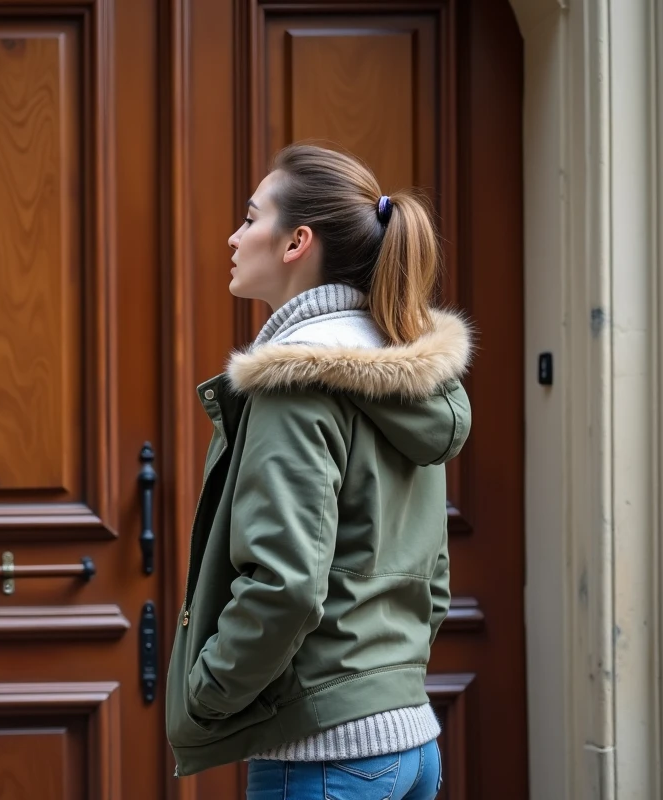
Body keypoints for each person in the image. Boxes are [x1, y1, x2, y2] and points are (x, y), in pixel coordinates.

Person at [164, 143, 473, 800]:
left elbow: (286, 586)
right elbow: (435, 577)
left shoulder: (293, 383)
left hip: (324, 757)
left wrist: (208, 691)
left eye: (251, 218)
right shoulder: (404, 376)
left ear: (296, 242)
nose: (234, 236)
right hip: (410, 742)